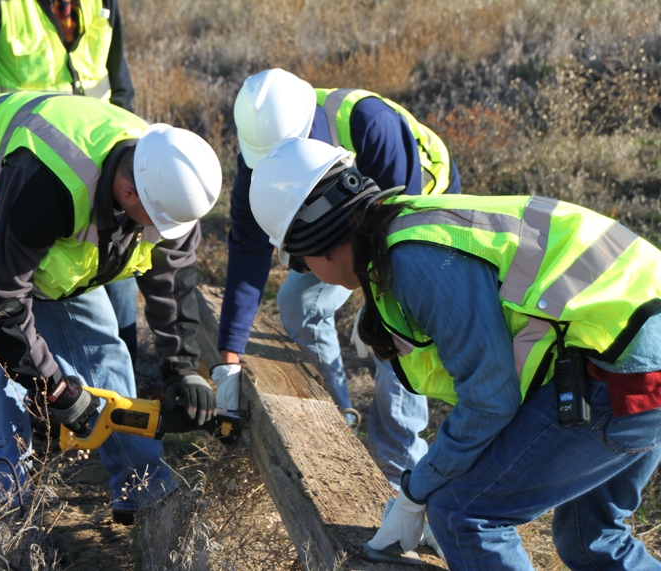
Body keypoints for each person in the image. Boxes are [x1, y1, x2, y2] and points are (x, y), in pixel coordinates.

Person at [249, 137, 661, 569]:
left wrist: (417, 490)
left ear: (321, 241)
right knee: (590, 536)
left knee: (465, 515)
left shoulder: (415, 260)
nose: (307, 272)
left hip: (627, 372)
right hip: (630, 344)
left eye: (299, 261)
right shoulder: (416, 221)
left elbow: (490, 398)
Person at [0, 91, 222, 525]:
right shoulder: (48, 182)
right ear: (128, 192)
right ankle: (8, 514)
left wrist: (184, 367)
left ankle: (146, 490)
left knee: (99, 344)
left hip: (54, 211)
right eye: (154, 225)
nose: (161, 234)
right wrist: (55, 388)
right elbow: (0, 301)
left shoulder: (170, 185)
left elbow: (172, 283)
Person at [213, 68, 461, 489]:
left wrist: (376, 304)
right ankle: (334, 422)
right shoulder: (260, 157)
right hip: (333, 225)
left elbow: (402, 232)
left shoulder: (370, 125)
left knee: (399, 339)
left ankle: (398, 465)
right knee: (296, 300)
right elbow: (248, 253)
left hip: (417, 215)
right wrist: (229, 358)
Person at [0, 0, 144, 367]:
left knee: (116, 298)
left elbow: (119, 85)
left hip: (105, 170)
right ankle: (41, 394)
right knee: (16, 293)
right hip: (21, 177)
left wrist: (131, 165)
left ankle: (124, 394)